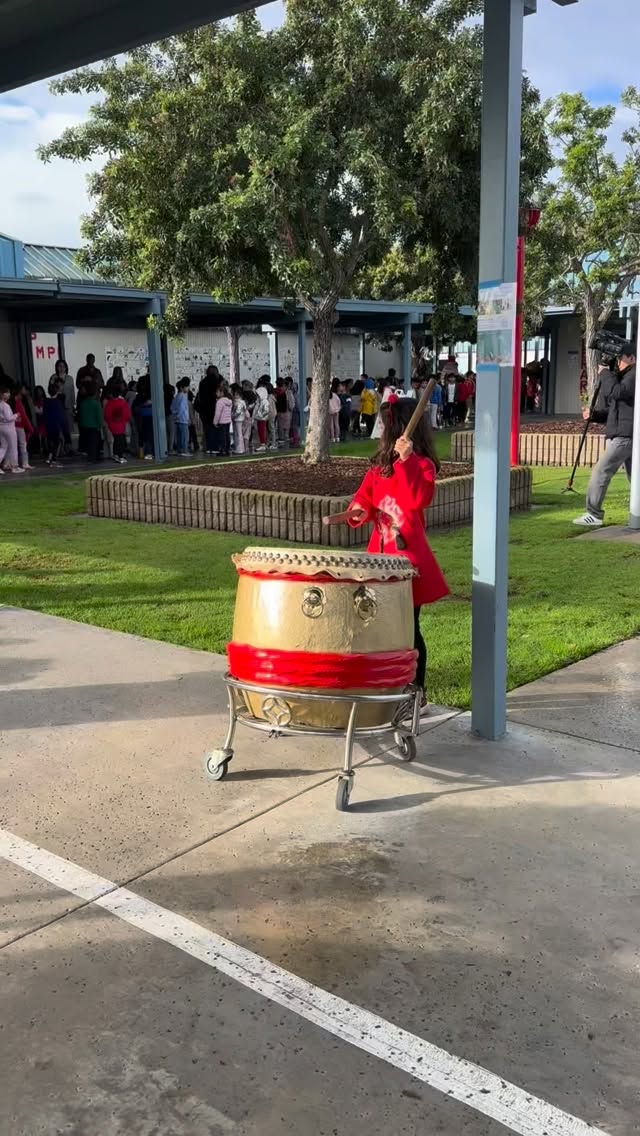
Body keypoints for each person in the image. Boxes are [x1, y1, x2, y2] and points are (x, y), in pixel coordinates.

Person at [343, 396, 449, 707]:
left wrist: (408, 461)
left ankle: (416, 691)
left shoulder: (422, 465)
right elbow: (365, 497)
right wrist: (359, 510)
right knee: (378, 626)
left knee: (408, 629)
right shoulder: (380, 468)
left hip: (406, 561)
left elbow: (418, 498)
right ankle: (387, 682)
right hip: (379, 558)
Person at [573, 346, 636, 529]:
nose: (618, 362)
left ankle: (594, 514)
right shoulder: (625, 377)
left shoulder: (634, 375)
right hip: (626, 434)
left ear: (632, 358)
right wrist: (594, 415)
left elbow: (617, 392)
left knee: (601, 471)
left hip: (625, 436)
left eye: (621, 358)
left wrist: (605, 373)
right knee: (635, 478)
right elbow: (615, 409)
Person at [196, 366, 222, 454]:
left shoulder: (202, 382)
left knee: (207, 429)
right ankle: (215, 447)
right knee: (215, 429)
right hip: (214, 408)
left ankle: (208, 447)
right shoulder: (216, 381)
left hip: (204, 410)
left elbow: (201, 397)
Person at [103, 384, 132, 464]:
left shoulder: (109, 403)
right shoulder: (123, 402)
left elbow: (107, 415)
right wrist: (124, 421)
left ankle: (116, 454)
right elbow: (127, 414)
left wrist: (110, 422)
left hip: (113, 425)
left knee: (116, 439)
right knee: (120, 440)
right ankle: (120, 455)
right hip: (121, 424)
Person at [50, 359, 75, 447]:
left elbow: (72, 392)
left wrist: (73, 404)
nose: (61, 368)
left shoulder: (70, 378)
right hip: (57, 405)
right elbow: (51, 390)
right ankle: (59, 447)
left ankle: (68, 446)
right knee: (59, 427)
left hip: (68, 406)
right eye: (59, 366)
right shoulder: (53, 377)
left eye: (63, 366)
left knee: (68, 427)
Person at [77, 380, 104, 463]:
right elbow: (99, 416)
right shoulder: (96, 404)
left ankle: (90, 456)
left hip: (85, 426)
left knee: (88, 442)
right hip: (94, 426)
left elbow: (81, 415)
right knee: (94, 443)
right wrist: (100, 425)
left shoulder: (83, 403)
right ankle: (93, 458)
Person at [43, 380, 68, 466]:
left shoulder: (46, 401)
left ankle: (50, 457)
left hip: (48, 425)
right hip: (56, 425)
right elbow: (60, 416)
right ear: (57, 391)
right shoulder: (58, 403)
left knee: (50, 441)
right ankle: (54, 459)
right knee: (57, 442)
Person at [0, 385, 23, 474]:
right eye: (7, 393)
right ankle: (15, 467)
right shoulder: (5, 405)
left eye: (8, 393)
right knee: (13, 447)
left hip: (1, 428)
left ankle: (12, 466)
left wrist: (13, 418)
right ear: (2, 394)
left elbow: (5, 418)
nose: (8, 394)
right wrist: (16, 415)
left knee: (3, 447)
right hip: (9, 428)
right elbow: (9, 418)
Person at [13, 387, 34, 469]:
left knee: (10, 446)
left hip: (11, 426)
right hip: (19, 426)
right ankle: (25, 463)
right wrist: (30, 428)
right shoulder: (19, 403)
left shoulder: (10, 403)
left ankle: (8, 463)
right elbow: (24, 417)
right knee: (23, 445)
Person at [171, 378, 191, 456]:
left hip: (177, 420)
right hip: (183, 419)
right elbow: (182, 408)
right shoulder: (183, 396)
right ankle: (184, 450)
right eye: (187, 387)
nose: (188, 388)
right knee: (185, 436)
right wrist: (180, 416)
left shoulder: (177, 396)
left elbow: (172, 407)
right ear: (182, 387)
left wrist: (175, 415)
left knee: (179, 436)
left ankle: (179, 450)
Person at [213, 382, 233, 456]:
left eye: (217, 392)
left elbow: (217, 413)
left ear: (222, 393)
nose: (216, 393)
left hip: (221, 422)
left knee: (222, 437)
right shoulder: (229, 401)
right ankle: (227, 450)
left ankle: (222, 450)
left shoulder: (220, 402)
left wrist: (215, 422)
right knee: (227, 436)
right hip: (228, 421)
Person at [254, 376, 271, 451]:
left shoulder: (264, 401)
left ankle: (263, 444)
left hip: (262, 418)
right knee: (260, 430)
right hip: (259, 418)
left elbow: (266, 410)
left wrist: (261, 415)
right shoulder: (260, 401)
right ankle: (263, 443)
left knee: (262, 430)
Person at [231, 384, 249, 454]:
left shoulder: (238, 402)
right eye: (234, 394)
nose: (235, 396)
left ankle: (240, 449)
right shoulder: (242, 402)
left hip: (238, 419)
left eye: (236, 395)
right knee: (239, 434)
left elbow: (238, 411)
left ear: (239, 395)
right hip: (240, 419)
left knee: (238, 434)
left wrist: (233, 415)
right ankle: (240, 448)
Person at [275, 377, 292, 449]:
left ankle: (281, 439)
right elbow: (289, 402)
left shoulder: (275, 391)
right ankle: (285, 438)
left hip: (278, 411)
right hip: (285, 410)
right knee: (286, 426)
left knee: (280, 426)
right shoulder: (286, 392)